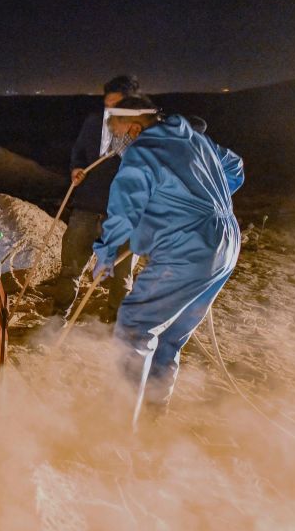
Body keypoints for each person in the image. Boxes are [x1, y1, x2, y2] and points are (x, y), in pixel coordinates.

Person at [92, 96, 244, 410]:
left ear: (134, 127)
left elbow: (122, 213)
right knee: (169, 335)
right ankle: (152, 414)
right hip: (227, 243)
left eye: (116, 132)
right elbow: (235, 167)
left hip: (189, 246)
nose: (116, 142)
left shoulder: (144, 149)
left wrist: (105, 255)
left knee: (136, 325)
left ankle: (117, 428)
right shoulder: (193, 138)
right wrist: (206, 201)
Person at [43, 75, 141, 322]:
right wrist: (76, 168)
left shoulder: (145, 132)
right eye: (107, 103)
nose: (110, 109)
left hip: (125, 215)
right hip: (86, 208)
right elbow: (78, 152)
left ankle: (114, 321)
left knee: (122, 274)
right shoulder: (94, 122)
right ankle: (58, 316)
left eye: (117, 103)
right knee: (71, 267)